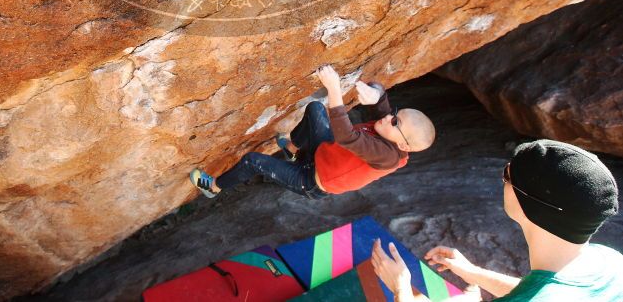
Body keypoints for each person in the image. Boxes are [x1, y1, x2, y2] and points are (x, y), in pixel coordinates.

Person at [371, 139, 622, 301]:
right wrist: (474, 273)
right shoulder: (609, 263)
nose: (502, 180)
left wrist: (401, 289)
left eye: (507, 175)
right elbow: (539, 294)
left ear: (530, 207)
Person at [189, 64, 436, 200]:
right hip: (324, 154)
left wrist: (335, 90)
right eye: (397, 113)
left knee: (253, 161)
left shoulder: (388, 157)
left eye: (396, 122)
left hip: (311, 180)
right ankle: (295, 151)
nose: (390, 117)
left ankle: (214, 187)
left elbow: (347, 136)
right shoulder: (389, 131)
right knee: (316, 109)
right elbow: (383, 107)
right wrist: (378, 95)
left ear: (403, 146)